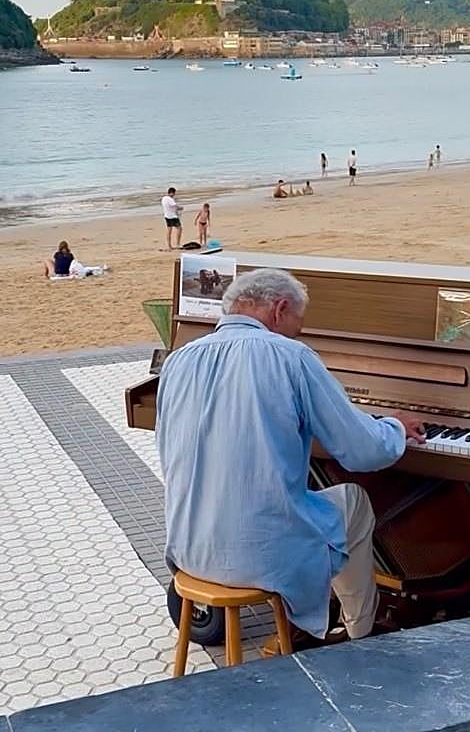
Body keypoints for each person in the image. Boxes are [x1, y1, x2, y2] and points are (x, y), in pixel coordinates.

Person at [155, 268, 427, 647]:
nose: (299, 333)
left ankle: (323, 608)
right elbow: (362, 450)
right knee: (354, 500)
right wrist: (394, 427)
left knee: (292, 492)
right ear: (280, 309)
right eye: (299, 324)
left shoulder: (178, 360)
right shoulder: (290, 356)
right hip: (260, 557)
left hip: (188, 549)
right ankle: (361, 634)